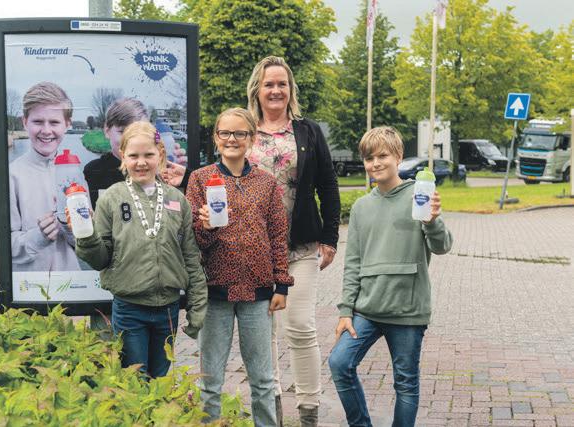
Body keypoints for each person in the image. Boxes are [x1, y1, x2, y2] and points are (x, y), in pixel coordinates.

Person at [328, 127, 453, 427]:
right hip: (367, 310)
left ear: (398, 157)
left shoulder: (418, 196)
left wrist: (432, 221)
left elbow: (442, 246)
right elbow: (353, 263)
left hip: (407, 310)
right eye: (369, 158)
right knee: (339, 363)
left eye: (382, 156)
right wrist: (346, 311)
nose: (375, 163)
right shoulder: (361, 207)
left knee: (406, 383)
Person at [246, 55, 341, 426]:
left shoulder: (308, 131)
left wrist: (330, 237)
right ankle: (271, 408)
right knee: (263, 333)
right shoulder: (244, 130)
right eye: (269, 84)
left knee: (300, 325)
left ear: (290, 89)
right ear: (257, 89)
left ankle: (308, 411)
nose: (276, 90)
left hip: (300, 246)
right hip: (253, 249)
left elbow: (328, 185)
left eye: (282, 84)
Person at [73, 121, 208, 378]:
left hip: (168, 309)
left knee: (159, 379)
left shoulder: (177, 199)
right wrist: (86, 236)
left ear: (161, 155)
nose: (141, 162)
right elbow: (100, 259)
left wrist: (197, 304)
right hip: (130, 308)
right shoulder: (111, 198)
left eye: (148, 155)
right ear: (123, 156)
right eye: (134, 156)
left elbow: (190, 256)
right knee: (135, 379)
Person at [186, 108, 294, 426]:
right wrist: (206, 227)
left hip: (258, 293)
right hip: (214, 291)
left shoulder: (266, 182)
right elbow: (193, 240)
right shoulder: (200, 179)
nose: (231, 139)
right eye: (225, 133)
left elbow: (278, 235)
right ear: (216, 137)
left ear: (251, 138)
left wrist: (281, 284)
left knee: (262, 379)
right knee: (210, 381)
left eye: (239, 133)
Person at [9, 82, 80, 272]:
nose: (46, 130)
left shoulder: (76, 173)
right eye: (38, 122)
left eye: (54, 122)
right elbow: (5, 244)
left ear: (67, 124)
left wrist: (73, 228)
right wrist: (38, 237)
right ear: (25, 122)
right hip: (29, 285)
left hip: (71, 282)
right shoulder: (12, 175)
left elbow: (86, 246)